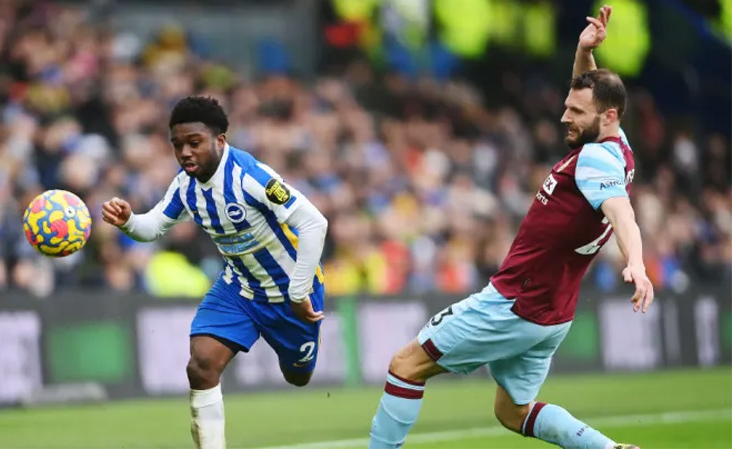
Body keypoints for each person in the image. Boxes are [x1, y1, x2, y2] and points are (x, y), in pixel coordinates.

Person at [367, 6, 654, 449]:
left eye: (576, 112)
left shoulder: (595, 159)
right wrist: (584, 52)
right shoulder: (617, 146)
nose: (565, 117)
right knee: (512, 411)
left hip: (514, 301)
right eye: (567, 107)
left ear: (609, 116)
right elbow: (590, 94)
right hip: (553, 313)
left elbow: (622, 214)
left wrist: (636, 261)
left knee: (405, 365)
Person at [102, 96, 328, 449]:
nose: (185, 153)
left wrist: (299, 292)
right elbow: (153, 226)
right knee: (201, 364)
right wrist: (129, 221)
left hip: (291, 294)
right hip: (238, 289)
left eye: (195, 143)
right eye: (178, 145)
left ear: (220, 141)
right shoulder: (185, 186)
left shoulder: (251, 177)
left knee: (298, 376)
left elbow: (314, 223)